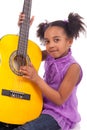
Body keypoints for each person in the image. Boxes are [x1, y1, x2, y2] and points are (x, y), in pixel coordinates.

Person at [0, 12, 86, 130]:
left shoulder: (73, 68)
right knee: (5, 122)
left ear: (69, 41)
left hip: (59, 115)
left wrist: (36, 78)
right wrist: (23, 30)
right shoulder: (50, 54)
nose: (51, 45)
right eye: (47, 41)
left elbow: (60, 99)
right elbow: (22, 54)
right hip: (39, 105)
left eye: (56, 40)